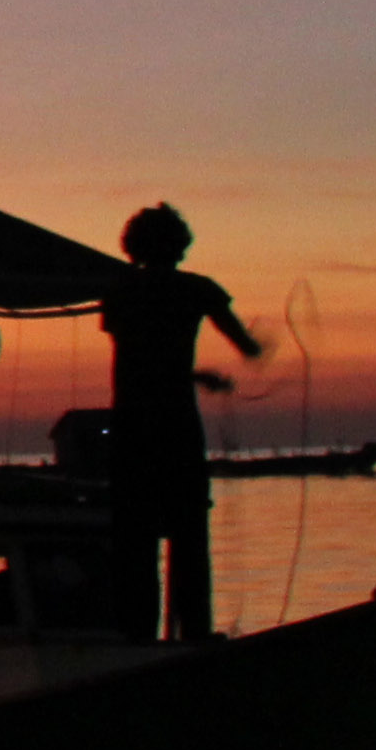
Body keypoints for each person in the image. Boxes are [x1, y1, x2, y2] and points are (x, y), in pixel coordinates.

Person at [99, 203, 266, 639]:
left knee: (134, 543)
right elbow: (245, 344)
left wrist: (193, 374)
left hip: (132, 430)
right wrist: (250, 350)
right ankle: (193, 637)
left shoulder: (119, 292)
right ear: (181, 245)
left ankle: (135, 640)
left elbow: (141, 356)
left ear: (133, 246)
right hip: (176, 429)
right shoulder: (200, 290)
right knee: (189, 540)